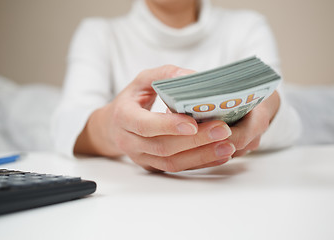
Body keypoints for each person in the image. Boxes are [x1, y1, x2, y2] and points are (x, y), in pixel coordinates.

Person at [52, 0, 301, 172]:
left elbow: (289, 122)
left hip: (234, 194)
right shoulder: (99, 33)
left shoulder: (247, 26)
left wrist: (267, 107)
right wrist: (113, 127)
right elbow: (66, 124)